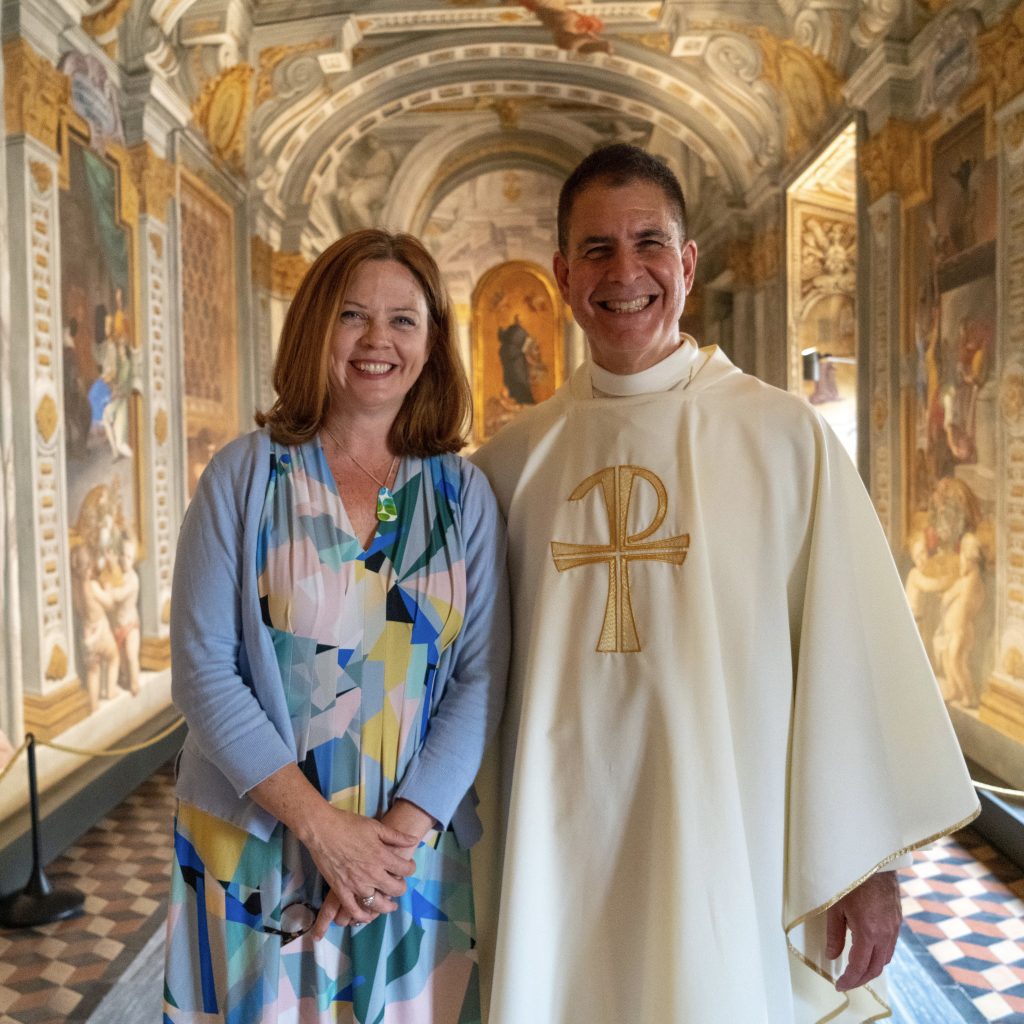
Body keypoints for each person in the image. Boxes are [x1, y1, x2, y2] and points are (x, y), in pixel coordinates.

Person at [471, 144, 979, 1023]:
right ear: (561, 273)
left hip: (728, 827)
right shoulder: (513, 461)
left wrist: (866, 868)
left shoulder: (786, 440)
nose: (624, 271)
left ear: (688, 262)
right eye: (596, 249)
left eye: (648, 243)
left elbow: (846, 658)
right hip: (558, 842)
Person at [164, 229, 509, 1023]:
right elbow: (203, 669)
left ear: (432, 344)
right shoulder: (246, 474)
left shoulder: (464, 495)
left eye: (404, 320)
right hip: (258, 841)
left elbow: (481, 678)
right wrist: (322, 830)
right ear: (315, 327)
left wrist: (392, 839)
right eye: (353, 315)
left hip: (406, 859)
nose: (377, 340)